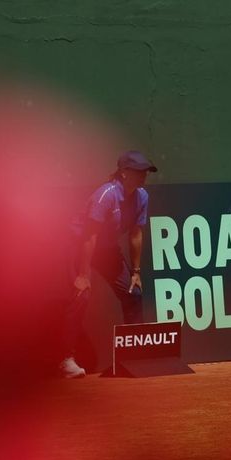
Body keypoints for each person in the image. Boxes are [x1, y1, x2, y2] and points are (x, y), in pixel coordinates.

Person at [61, 150, 158, 378]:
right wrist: (84, 274)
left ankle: (136, 355)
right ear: (124, 173)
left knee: (133, 292)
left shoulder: (142, 196)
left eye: (146, 172)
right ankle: (65, 359)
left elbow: (135, 233)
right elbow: (89, 236)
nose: (143, 176)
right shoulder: (105, 195)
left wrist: (135, 272)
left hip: (107, 251)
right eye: (138, 171)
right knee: (81, 294)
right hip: (79, 246)